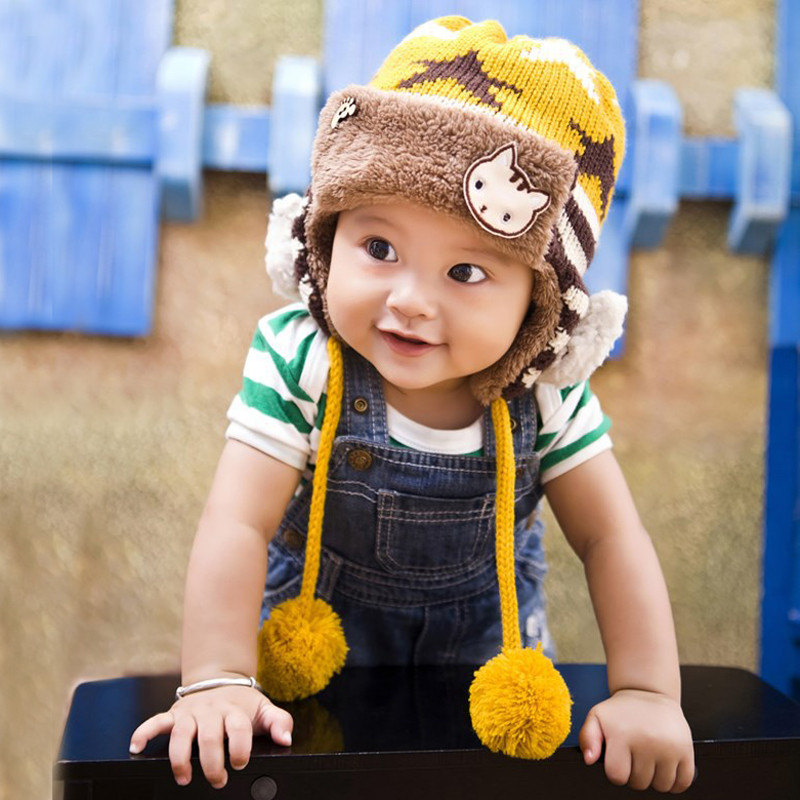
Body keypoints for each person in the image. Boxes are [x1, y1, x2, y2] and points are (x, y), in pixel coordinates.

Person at [129, 16, 695, 793]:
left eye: (466, 273)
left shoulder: (547, 396)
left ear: (538, 304)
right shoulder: (305, 360)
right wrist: (218, 677)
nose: (409, 301)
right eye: (380, 249)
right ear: (327, 238)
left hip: (487, 682)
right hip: (312, 689)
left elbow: (611, 538)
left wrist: (646, 693)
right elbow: (238, 520)